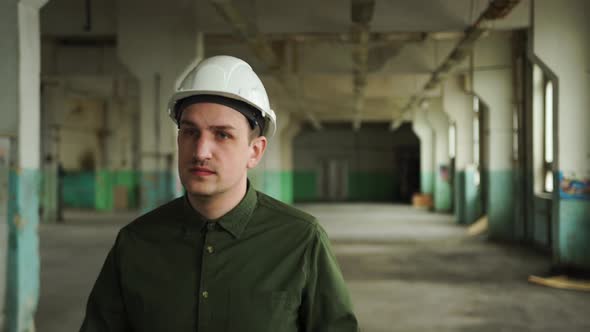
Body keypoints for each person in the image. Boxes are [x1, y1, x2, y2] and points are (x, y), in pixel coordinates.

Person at [80, 55, 359, 332]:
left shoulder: (301, 240)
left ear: (255, 151)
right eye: (190, 132)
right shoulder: (136, 243)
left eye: (222, 135)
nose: (201, 151)